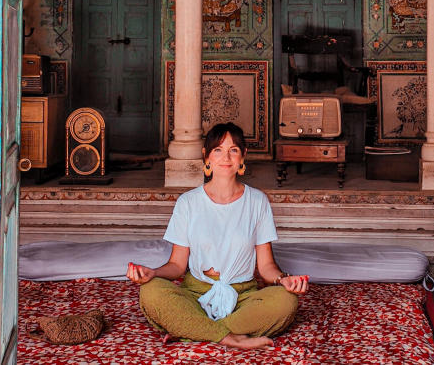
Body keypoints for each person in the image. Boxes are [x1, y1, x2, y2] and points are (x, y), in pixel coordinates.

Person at [127, 122, 308, 349]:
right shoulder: (188, 202)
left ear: (243, 156)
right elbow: (177, 265)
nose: (226, 157)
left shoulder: (257, 201)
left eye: (233, 150)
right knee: (151, 291)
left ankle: (192, 329)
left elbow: (266, 266)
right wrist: (153, 273)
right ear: (207, 156)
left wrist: (284, 280)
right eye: (218, 150)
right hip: (196, 294)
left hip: (242, 296)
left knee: (286, 300)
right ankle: (231, 337)